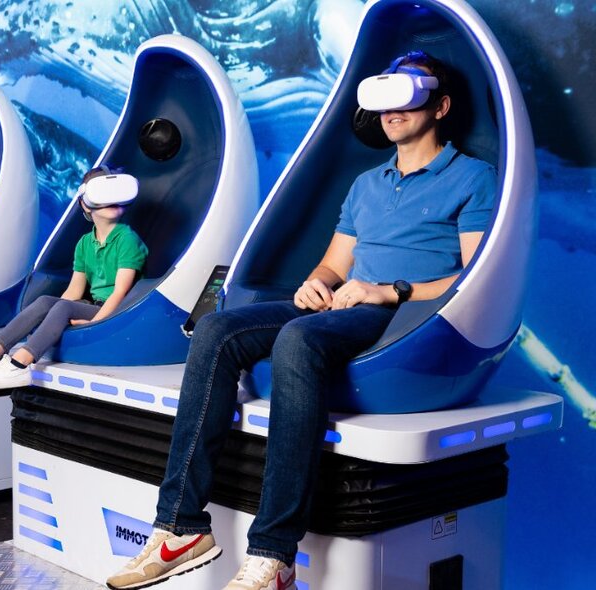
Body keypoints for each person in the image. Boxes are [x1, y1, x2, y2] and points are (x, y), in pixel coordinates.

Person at [106, 51, 497, 590]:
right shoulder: (367, 183)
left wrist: (389, 291)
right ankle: (181, 528)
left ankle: (274, 556)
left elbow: (473, 279)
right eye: (384, 99)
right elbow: (335, 263)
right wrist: (319, 283)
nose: (391, 112)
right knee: (218, 329)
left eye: (407, 96)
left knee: (296, 339)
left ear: (441, 105)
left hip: (407, 318)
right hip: (345, 303)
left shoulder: (472, 177)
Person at [0, 165, 148, 389]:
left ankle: (20, 364)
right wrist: (51, 316)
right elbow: (74, 291)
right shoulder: (84, 243)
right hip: (95, 305)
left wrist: (94, 324)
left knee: (63, 308)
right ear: (85, 203)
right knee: (47, 302)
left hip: (120, 311)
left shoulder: (127, 240)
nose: (111, 200)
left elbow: (121, 292)